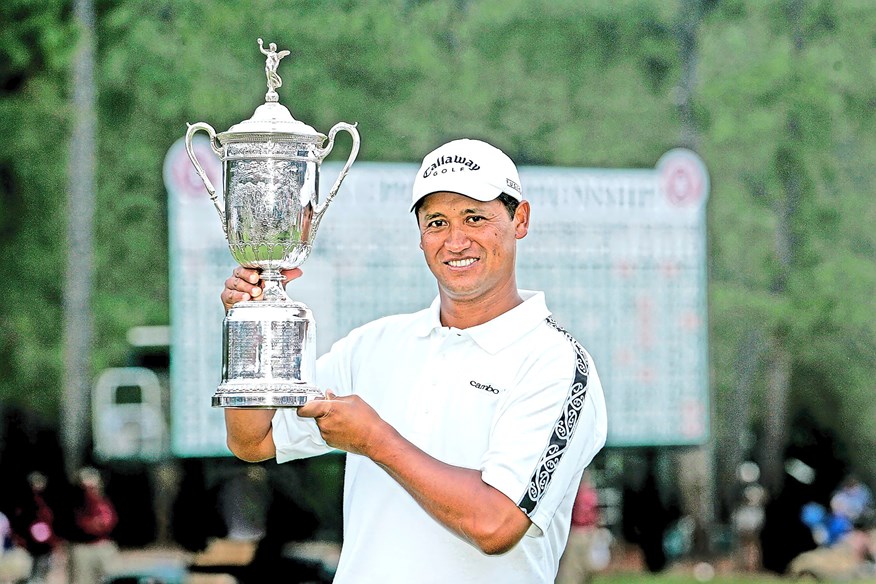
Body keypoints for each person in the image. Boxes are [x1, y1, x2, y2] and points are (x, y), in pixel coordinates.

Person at [220, 138, 608, 584]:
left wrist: (377, 440)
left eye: (475, 218)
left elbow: (496, 523)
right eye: (437, 222)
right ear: (420, 235)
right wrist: (250, 324)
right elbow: (253, 440)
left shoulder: (555, 362)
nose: (456, 240)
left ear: (520, 219)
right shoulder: (372, 346)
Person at [555, 471, 611, 584]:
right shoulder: (582, 494)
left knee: (583, 567)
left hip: (584, 532)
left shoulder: (585, 494)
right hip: (581, 532)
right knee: (576, 567)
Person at [67, 468, 118, 584]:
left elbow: (108, 523)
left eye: (93, 487)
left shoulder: (104, 503)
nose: (90, 491)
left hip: (103, 546)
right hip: (82, 548)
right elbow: (78, 525)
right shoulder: (75, 506)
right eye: (86, 488)